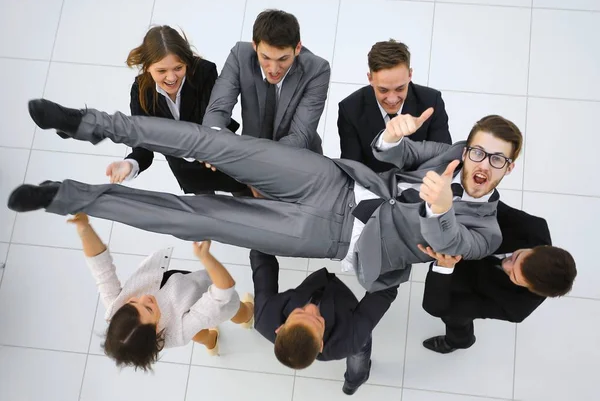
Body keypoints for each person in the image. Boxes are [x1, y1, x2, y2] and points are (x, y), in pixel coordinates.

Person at [12, 98, 521, 292]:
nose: (482, 166)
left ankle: (66, 196)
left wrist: (440, 207)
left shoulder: (487, 230)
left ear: (510, 167)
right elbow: (393, 159)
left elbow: (452, 240)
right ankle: (88, 124)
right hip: (334, 181)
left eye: (497, 160)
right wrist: (393, 136)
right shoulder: (452, 153)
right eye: (479, 152)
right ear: (469, 146)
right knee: (213, 143)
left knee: (198, 218)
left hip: (329, 235)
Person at [66, 212, 255, 370]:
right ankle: (246, 318)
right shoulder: (177, 332)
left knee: (198, 332)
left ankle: (210, 341)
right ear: (157, 330)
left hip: (182, 292)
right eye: (148, 309)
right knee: (234, 309)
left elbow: (101, 268)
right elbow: (223, 292)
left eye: (132, 302)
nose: (144, 298)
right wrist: (205, 257)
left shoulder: (115, 307)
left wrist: (84, 228)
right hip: (197, 297)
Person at [418, 201, 577, 353]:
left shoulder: (515, 308)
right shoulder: (534, 227)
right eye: (516, 257)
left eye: (513, 275)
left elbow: (435, 306)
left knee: (455, 319)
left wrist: (444, 267)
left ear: (529, 288)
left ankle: (459, 341)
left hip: (467, 286)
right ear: (538, 248)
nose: (505, 265)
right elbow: (487, 205)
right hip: (466, 239)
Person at [105, 25, 246, 194]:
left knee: (249, 202)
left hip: (224, 160)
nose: (171, 78)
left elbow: (215, 117)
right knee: (208, 217)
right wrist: (130, 164)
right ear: (147, 66)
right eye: (161, 71)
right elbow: (143, 145)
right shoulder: (141, 92)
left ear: (187, 62)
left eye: (178, 68)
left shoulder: (204, 72)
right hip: (189, 175)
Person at [250, 250, 397, 395]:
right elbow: (385, 291)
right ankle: (354, 382)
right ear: (321, 344)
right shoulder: (349, 338)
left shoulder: (264, 315)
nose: (312, 309)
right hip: (346, 324)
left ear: (280, 328)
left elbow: (261, 257)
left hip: (319, 285)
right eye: (318, 321)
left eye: (299, 312)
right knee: (360, 350)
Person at [202, 9, 330, 154]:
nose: (274, 69)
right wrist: (213, 142)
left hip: (297, 159)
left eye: (283, 59)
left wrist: (256, 157)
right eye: (266, 58)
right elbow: (218, 110)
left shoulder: (317, 70)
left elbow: (300, 136)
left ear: (298, 48)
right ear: (254, 46)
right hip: (252, 155)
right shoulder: (240, 55)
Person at [338, 39, 451, 173]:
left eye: (400, 88)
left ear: (410, 75)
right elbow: (352, 169)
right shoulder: (350, 109)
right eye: (383, 90)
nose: (392, 99)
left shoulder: (431, 101)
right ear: (370, 79)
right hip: (372, 187)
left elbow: (444, 159)